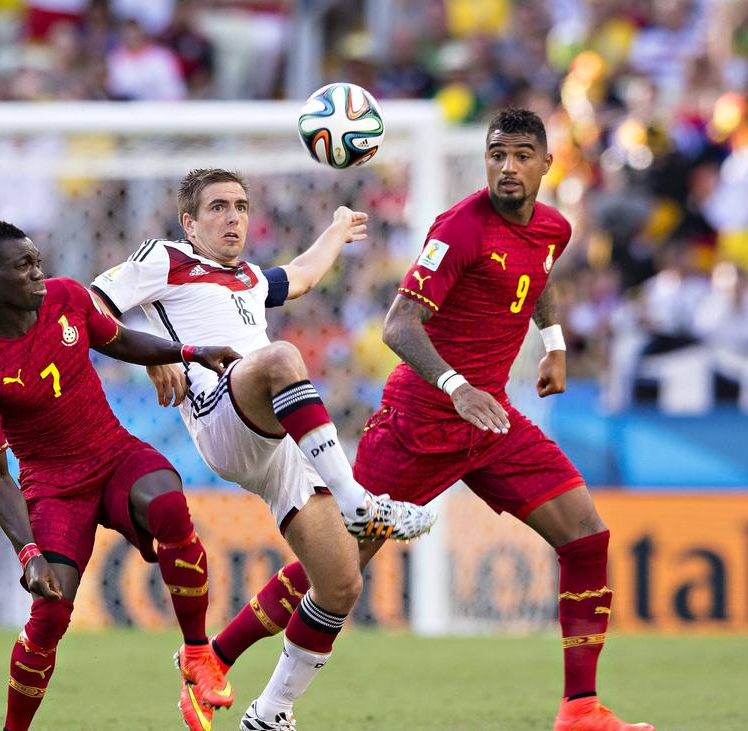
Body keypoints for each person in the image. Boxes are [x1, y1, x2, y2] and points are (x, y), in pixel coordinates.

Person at [209, 109, 656, 731]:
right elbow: (398, 325)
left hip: (490, 420)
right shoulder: (460, 227)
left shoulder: (554, 227)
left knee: (586, 536)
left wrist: (553, 342)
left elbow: (540, 273)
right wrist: (456, 386)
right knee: (336, 568)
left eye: (522, 155)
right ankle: (216, 658)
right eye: (497, 155)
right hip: (418, 421)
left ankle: (580, 709)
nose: (508, 167)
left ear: (547, 164)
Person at [88, 169, 436, 730]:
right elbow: (88, 304)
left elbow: (301, 275)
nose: (233, 217)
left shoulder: (249, 277)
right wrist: (155, 356)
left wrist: (337, 229)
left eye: (241, 206)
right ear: (189, 223)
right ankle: (357, 501)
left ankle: (270, 711)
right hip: (222, 415)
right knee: (281, 357)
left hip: (278, 441)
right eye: (218, 207)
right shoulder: (165, 258)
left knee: (341, 583)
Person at [0, 220, 239, 731]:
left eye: (38, 261)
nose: (38, 274)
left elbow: (120, 341)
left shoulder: (67, 297)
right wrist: (29, 553)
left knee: (170, 506)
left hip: (113, 455)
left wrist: (188, 352)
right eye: (24, 266)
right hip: (54, 489)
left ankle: (197, 653)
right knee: (50, 615)